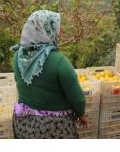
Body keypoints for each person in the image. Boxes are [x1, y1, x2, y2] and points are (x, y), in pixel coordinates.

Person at [11, 10, 87, 139]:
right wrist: (81, 114)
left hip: (23, 123)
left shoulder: (18, 55)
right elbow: (77, 98)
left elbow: (19, 81)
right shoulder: (59, 61)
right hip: (52, 126)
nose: (61, 31)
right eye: (56, 27)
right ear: (46, 29)